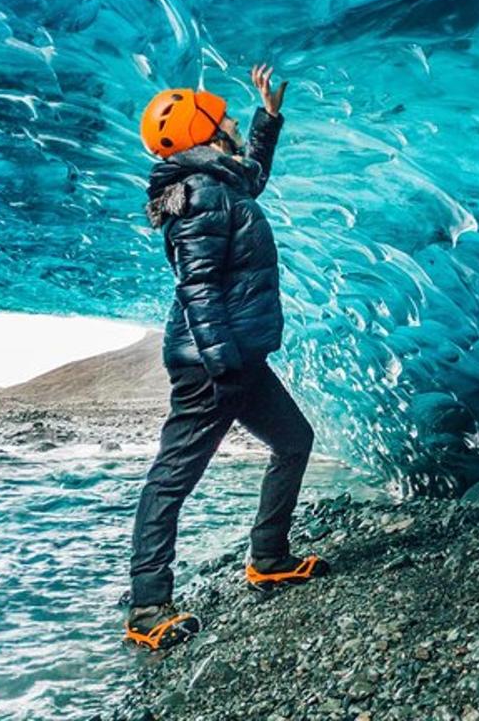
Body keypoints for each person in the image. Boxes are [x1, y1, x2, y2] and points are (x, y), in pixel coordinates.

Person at [125, 65, 329, 651]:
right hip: (213, 364)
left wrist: (267, 117)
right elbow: (198, 287)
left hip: (236, 354)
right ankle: (147, 607)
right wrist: (223, 365)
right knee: (173, 477)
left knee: (293, 440)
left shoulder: (220, 185)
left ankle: (268, 558)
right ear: (205, 134)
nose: (233, 120)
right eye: (227, 118)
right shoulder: (203, 199)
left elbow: (253, 178)